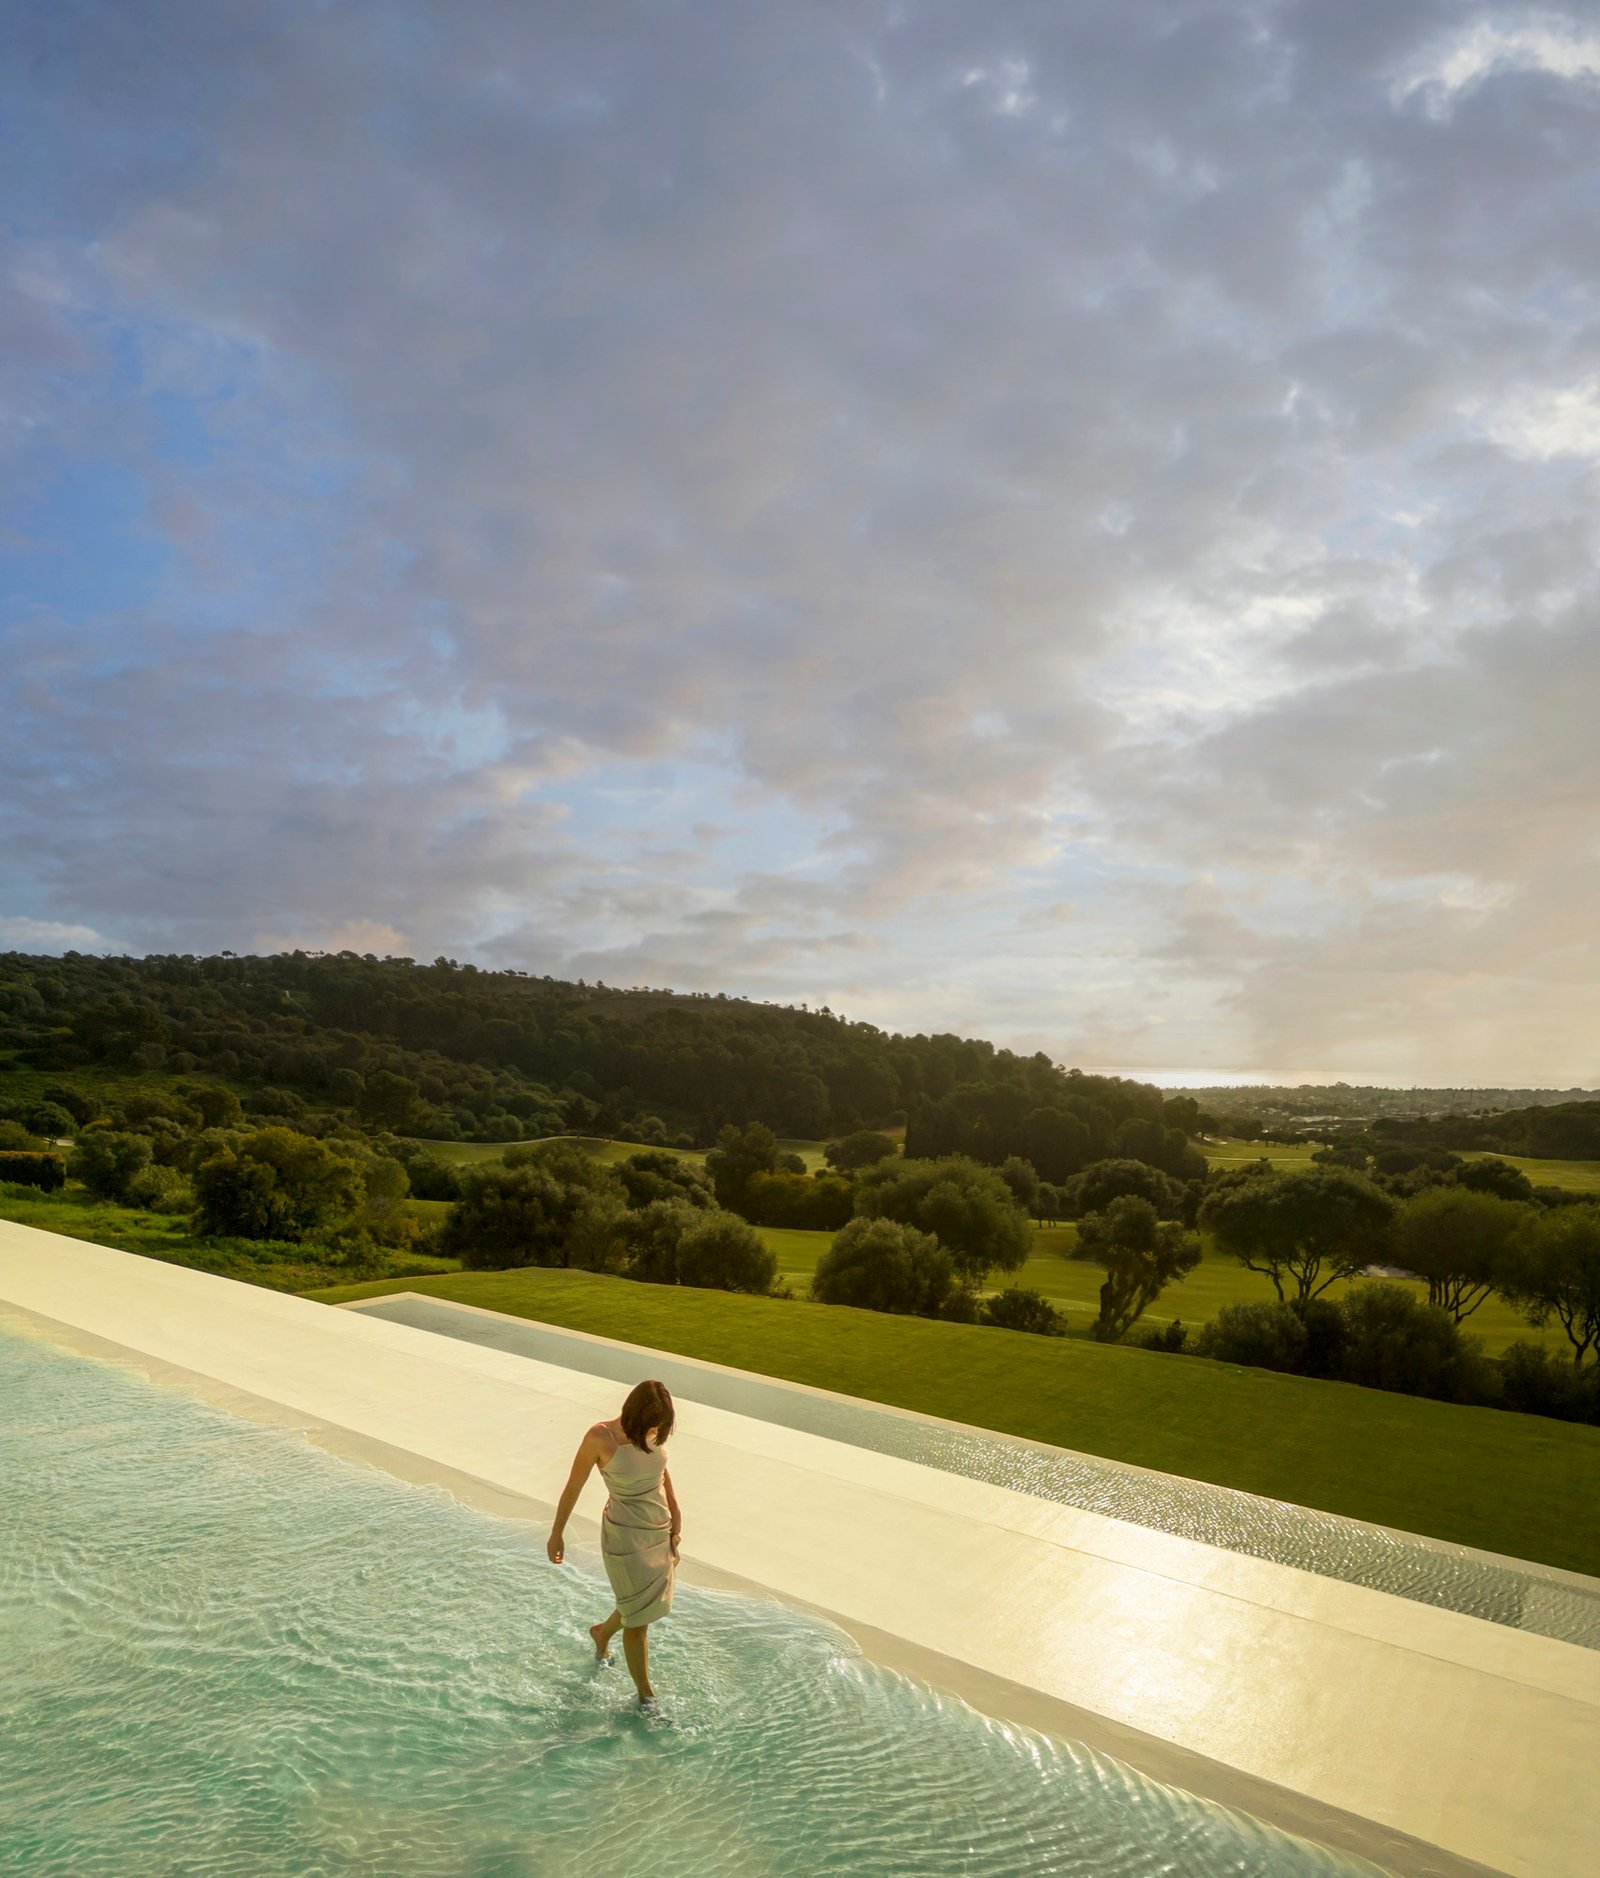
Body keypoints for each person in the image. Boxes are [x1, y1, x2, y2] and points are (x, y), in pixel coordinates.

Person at [547, 1378, 681, 1704]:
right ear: (636, 1413)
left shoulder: (652, 1431)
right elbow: (573, 1486)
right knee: (639, 1619)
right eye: (652, 1423)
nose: (656, 1430)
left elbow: (661, 1476)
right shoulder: (600, 1437)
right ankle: (646, 1697)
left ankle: (602, 1633)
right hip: (625, 1536)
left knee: (640, 1606)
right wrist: (557, 1533)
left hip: (658, 1530)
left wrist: (676, 1518)